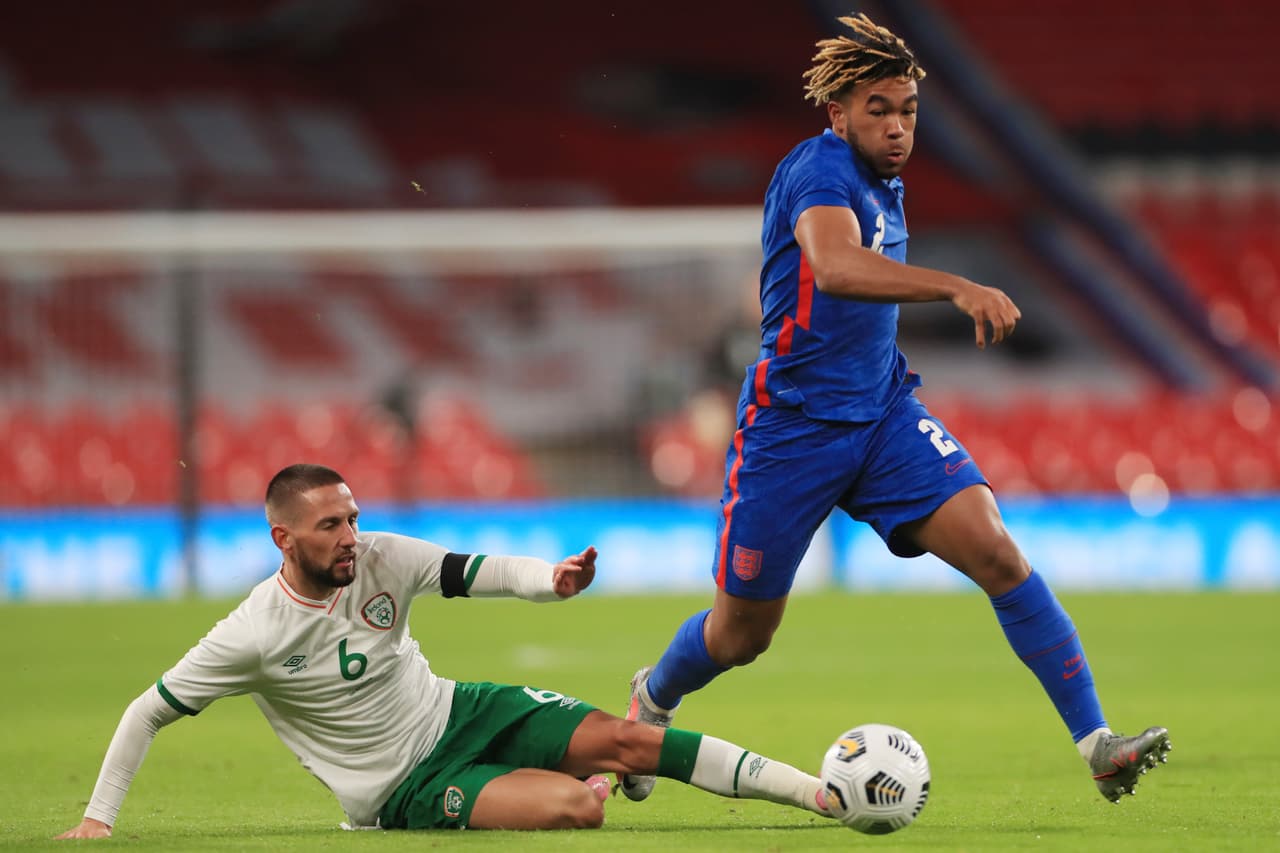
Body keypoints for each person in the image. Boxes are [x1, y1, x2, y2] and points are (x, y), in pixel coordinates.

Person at [620, 13, 1170, 806]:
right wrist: (955, 285)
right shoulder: (816, 170)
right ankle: (655, 699)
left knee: (997, 551)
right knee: (741, 635)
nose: (897, 125)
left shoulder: (888, 183)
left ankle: (1098, 744)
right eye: (878, 108)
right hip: (791, 430)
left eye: (908, 109)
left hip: (880, 418)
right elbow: (837, 267)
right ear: (837, 112)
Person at [56, 463, 832, 838]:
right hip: (399, 787)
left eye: (352, 517)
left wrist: (549, 581)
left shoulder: (384, 556)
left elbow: (466, 571)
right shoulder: (252, 634)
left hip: (461, 708)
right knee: (577, 809)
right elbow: (146, 711)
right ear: (282, 538)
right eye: (329, 526)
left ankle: (819, 794)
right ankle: (593, 772)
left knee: (636, 735)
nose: (350, 536)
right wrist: (99, 820)